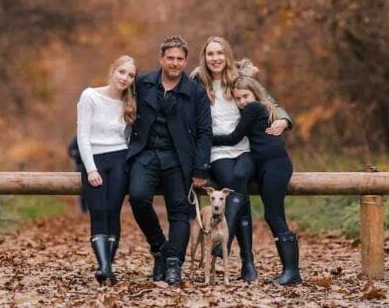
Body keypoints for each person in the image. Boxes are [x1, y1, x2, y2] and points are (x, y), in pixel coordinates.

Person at [191, 36, 292, 282]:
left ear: (227, 55)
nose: (215, 58)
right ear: (204, 58)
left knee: (239, 184)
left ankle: (245, 261)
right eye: (210, 54)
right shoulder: (197, 82)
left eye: (219, 53)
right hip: (218, 152)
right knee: (237, 189)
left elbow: (269, 101)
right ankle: (247, 261)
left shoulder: (238, 80)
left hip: (245, 149)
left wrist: (284, 120)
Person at [127, 35, 212, 285]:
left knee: (179, 211)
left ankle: (173, 263)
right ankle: (160, 248)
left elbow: (205, 132)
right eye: (170, 58)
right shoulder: (142, 84)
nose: (175, 63)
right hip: (146, 154)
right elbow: (118, 96)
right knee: (138, 197)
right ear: (161, 58)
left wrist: (200, 168)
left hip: (179, 159)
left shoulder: (196, 92)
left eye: (179, 59)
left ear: (186, 61)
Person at [211, 75, 301, 286]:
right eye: (238, 99)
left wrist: (207, 139)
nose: (242, 102)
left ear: (255, 93)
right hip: (263, 165)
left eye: (245, 96)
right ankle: (231, 235)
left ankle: (292, 271)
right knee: (240, 181)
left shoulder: (254, 109)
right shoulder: (262, 108)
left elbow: (234, 138)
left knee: (273, 214)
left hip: (276, 166)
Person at [76, 55, 137, 284]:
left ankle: (108, 267)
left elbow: (129, 138)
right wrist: (91, 169)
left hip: (120, 159)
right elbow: (82, 135)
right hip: (95, 159)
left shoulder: (129, 103)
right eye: (122, 72)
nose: (125, 78)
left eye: (130, 75)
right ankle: (103, 266)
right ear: (113, 70)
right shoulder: (90, 96)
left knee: (113, 211)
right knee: (98, 211)